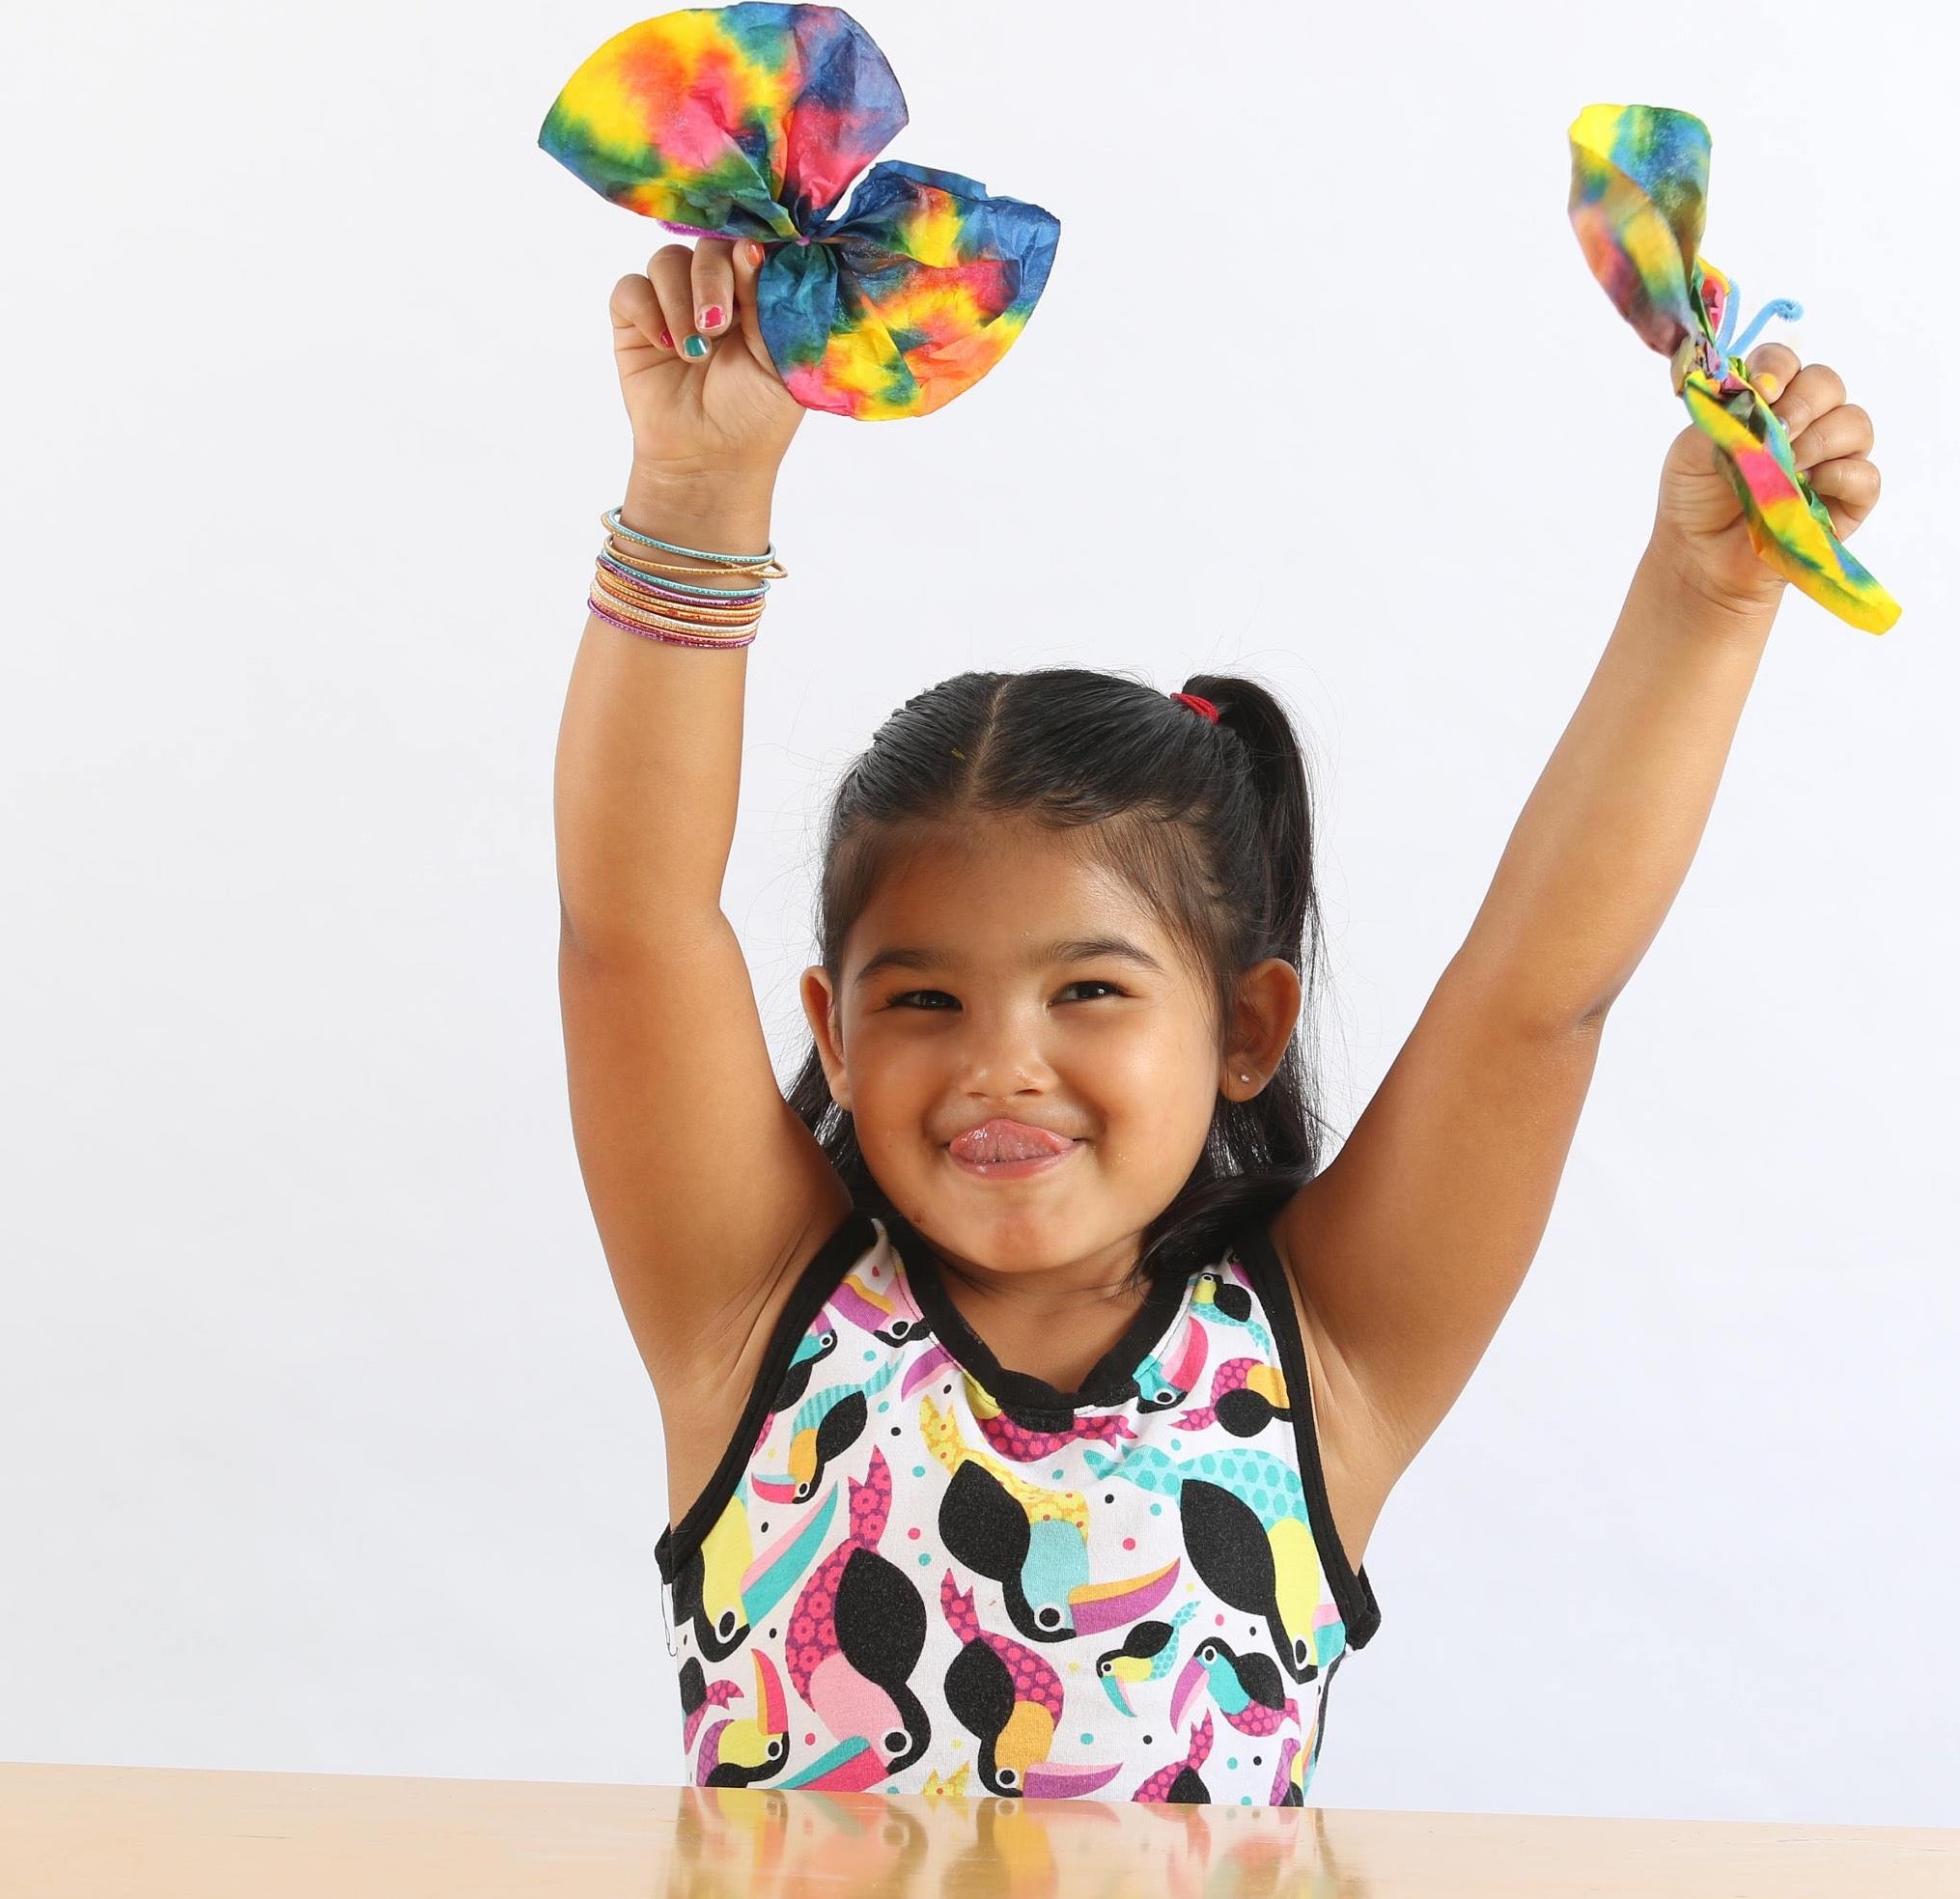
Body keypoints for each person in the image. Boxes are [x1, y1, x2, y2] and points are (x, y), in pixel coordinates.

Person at [556, 236, 1885, 1804]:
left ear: (1248, 1028)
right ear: (832, 1038)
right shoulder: (757, 1316)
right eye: (922, 996)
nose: (1001, 1057)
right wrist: (697, 495)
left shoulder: (1324, 1355)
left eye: (1091, 990)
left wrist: (1709, 599)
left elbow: (1539, 999)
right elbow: (633, 931)